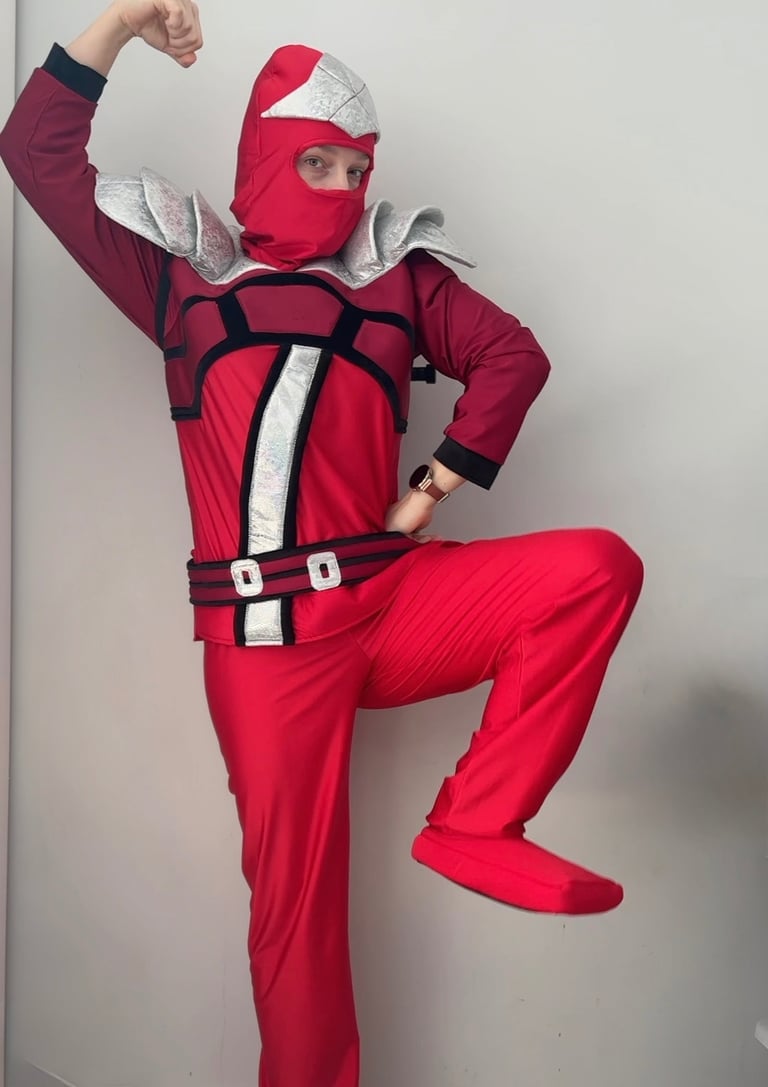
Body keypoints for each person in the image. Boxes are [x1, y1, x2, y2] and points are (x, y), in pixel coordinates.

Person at [0, 3, 644, 1085]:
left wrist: (433, 487)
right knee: (298, 925)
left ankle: (477, 821)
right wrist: (119, 21)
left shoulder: (398, 277)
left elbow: (512, 356)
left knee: (593, 570)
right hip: (267, 646)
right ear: (264, 155)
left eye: (357, 169)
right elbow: (37, 154)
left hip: (392, 602)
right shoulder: (178, 276)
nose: (342, 189)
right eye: (318, 162)